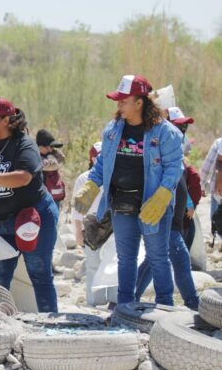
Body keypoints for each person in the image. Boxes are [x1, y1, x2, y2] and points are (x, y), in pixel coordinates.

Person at [74, 75, 183, 307]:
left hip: (153, 205)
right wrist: (92, 184)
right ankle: (125, 308)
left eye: (124, 101)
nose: (119, 105)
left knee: (157, 258)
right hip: (121, 202)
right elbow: (103, 163)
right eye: (118, 101)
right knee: (125, 259)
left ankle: (165, 307)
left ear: (139, 102)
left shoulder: (166, 132)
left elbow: (174, 167)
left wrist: (163, 194)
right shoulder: (113, 130)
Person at [0, 97, 60, 312]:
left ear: (6, 120)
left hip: (32, 217)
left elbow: (24, 177)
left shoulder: (25, 144)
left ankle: (50, 324)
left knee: (39, 273)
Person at [133, 170, 199, 309]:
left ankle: (128, 298)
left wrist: (189, 202)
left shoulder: (178, 163)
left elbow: (179, 184)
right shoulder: (165, 161)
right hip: (166, 220)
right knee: (180, 259)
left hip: (173, 221)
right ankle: (193, 303)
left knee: (153, 260)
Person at [72, 142, 117, 306]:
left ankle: (114, 300)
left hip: (113, 223)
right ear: (92, 158)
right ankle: (94, 300)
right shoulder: (84, 178)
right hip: (91, 225)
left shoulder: (114, 175)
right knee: (93, 265)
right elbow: (77, 209)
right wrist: (78, 232)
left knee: (113, 264)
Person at [165, 107, 201, 249]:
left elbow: (182, 183)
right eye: (179, 126)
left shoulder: (178, 147)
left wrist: (190, 204)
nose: (182, 130)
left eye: (184, 126)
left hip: (179, 214)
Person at [201, 120, 222, 251]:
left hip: (221, 192)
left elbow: (207, 167)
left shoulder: (219, 143)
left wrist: (201, 185)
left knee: (219, 223)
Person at [35, 129, 66, 211]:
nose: (53, 149)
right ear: (41, 147)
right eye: (51, 147)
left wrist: (52, 152)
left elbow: (62, 158)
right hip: (41, 198)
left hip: (55, 198)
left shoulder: (52, 154)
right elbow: (52, 165)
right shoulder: (34, 156)